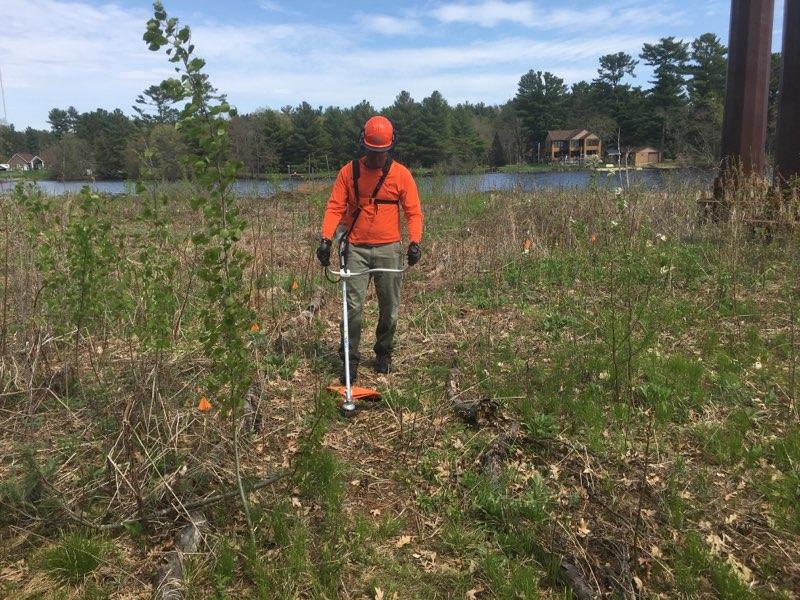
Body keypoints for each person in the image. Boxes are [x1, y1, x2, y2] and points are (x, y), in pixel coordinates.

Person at [316, 115, 423, 382]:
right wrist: (326, 239)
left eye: (381, 153)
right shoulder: (348, 172)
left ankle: (383, 352)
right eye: (372, 152)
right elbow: (334, 208)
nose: (376, 158)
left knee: (390, 308)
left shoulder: (402, 175)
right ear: (363, 146)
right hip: (356, 250)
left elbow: (414, 212)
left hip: (389, 249)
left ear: (390, 148)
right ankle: (349, 359)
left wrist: (415, 242)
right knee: (352, 307)